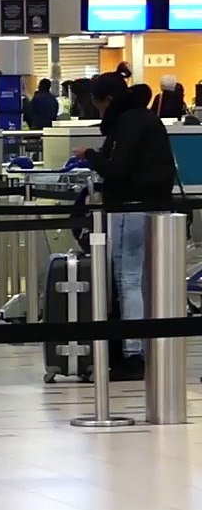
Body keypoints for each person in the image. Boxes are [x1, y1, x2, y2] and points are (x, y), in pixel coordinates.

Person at [76, 74, 176, 381]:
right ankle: (148, 347)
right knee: (146, 279)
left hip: (130, 208)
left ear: (105, 99)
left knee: (127, 278)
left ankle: (132, 354)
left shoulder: (127, 123)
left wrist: (90, 156)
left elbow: (118, 169)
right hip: (156, 208)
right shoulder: (145, 118)